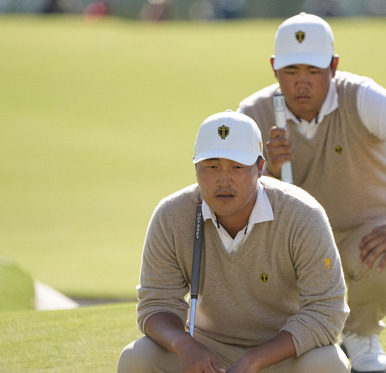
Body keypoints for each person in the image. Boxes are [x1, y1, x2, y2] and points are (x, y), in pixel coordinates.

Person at [238, 13, 386, 373]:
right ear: (274, 68)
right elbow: (226, 200)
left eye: (313, 71)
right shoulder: (252, 115)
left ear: (333, 67)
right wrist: (265, 169)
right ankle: (288, 337)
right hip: (291, 244)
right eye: (291, 71)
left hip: (361, 234)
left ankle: (360, 333)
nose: (302, 82)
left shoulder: (361, 96)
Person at [117, 110, 351, 373]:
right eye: (212, 166)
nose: (223, 180)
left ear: (260, 168)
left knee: (330, 364)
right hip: (207, 350)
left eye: (237, 167)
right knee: (137, 358)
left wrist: (253, 361)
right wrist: (184, 344)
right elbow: (156, 303)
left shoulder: (302, 214)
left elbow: (326, 311)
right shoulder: (172, 215)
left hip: (282, 353)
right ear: (196, 167)